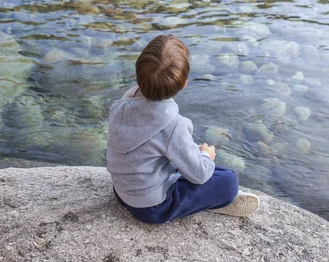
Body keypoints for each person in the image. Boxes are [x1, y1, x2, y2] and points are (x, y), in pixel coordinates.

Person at [107, 34, 259, 224]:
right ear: (184, 83)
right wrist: (206, 155)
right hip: (151, 207)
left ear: (138, 73)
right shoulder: (173, 126)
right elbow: (200, 175)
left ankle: (202, 194)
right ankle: (217, 201)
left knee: (188, 163)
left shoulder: (124, 102)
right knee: (227, 180)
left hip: (121, 192)